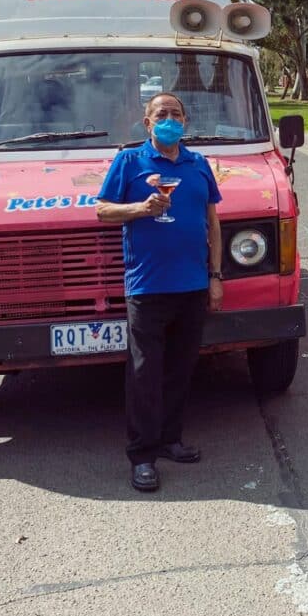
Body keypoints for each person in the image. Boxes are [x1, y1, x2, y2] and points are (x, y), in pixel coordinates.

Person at [96, 92, 223, 492]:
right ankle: (143, 456)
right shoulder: (129, 162)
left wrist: (216, 275)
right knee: (144, 373)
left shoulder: (198, 164)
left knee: (181, 369)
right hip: (147, 286)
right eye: (160, 114)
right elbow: (102, 209)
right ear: (147, 123)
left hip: (192, 284)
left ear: (185, 122)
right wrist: (139, 209)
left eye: (176, 114)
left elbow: (213, 222)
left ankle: (170, 440)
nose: (169, 119)